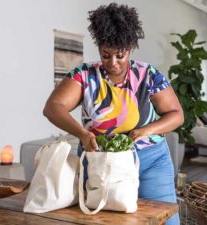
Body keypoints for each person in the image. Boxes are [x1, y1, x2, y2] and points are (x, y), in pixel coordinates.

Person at [43, 3, 183, 225]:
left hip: (150, 160)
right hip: (100, 161)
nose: (113, 63)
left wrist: (147, 130)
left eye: (120, 55)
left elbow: (176, 114)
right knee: (104, 219)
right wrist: (82, 133)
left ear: (130, 47)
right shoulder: (84, 75)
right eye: (105, 55)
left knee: (165, 220)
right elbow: (52, 107)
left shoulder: (148, 75)